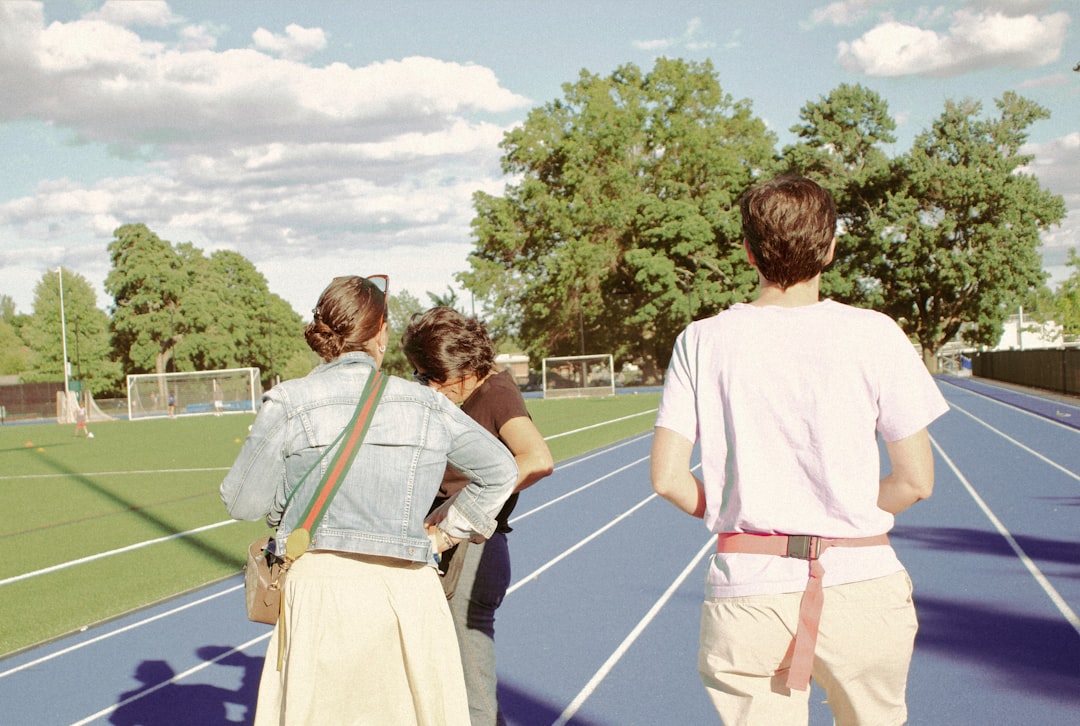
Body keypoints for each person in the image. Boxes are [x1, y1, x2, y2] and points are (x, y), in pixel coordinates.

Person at [650, 175, 949, 726]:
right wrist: (842, 513)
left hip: (748, 587)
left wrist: (737, 511)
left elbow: (668, 478)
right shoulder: (877, 333)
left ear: (748, 251)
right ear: (830, 247)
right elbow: (915, 481)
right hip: (861, 582)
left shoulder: (701, 340)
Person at [220, 276, 518, 726]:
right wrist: (444, 534)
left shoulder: (289, 402)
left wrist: (288, 497)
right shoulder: (425, 404)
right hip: (407, 591)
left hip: (321, 591)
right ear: (381, 333)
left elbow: (241, 502)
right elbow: (502, 471)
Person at [402, 307, 554, 726]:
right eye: (420, 376)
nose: (431, 388)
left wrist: (461, 507)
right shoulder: (469, 392)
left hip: (472, 551)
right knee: (451, 682)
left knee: (472, 694)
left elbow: (537, 459)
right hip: (457, 548)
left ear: (465, 366)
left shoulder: (495, 393)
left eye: (435, 377)